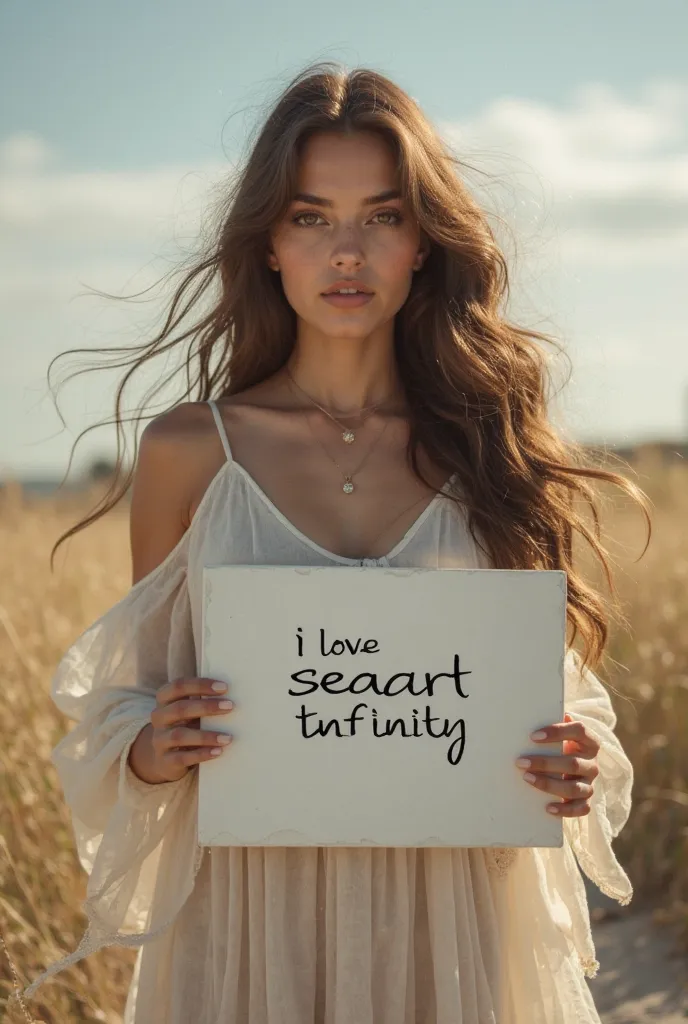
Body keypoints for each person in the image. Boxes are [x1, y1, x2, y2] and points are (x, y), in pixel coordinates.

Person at [21, 61, 651, 1023]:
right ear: (270, 244)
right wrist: (155, 744)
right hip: (245, 924)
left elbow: (555, 701)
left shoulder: (493, 450)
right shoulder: (192, 451)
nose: (346, 252)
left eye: (383, 216)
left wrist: (571, 765)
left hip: (453, 921)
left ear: (424, 245)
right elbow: (133, 708)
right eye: (312, 217)